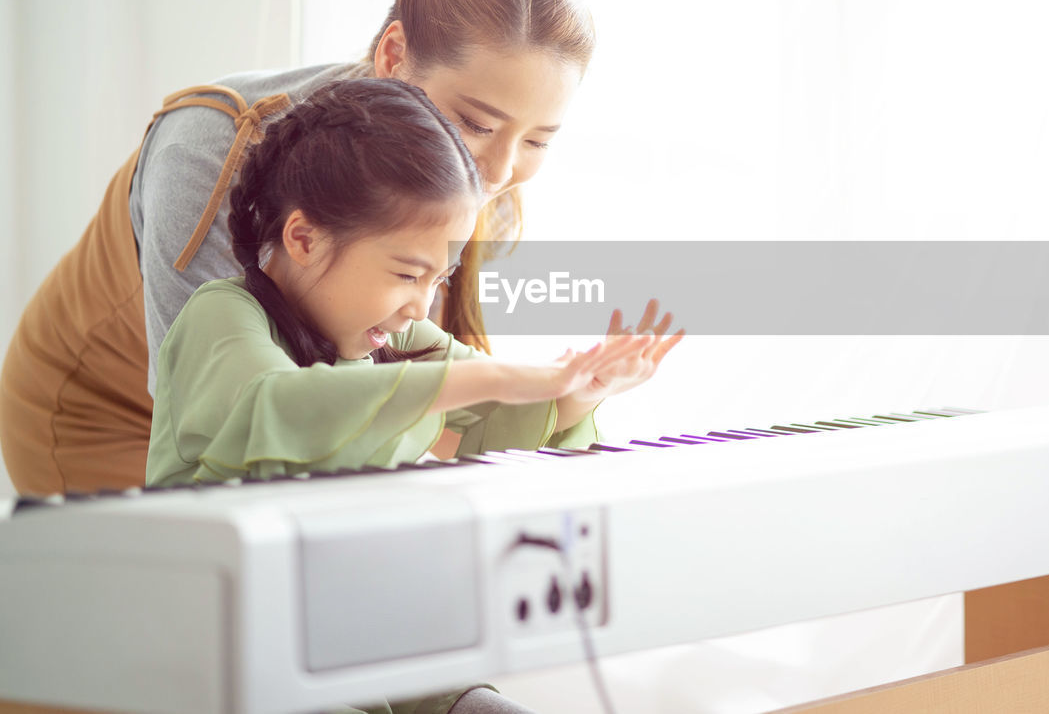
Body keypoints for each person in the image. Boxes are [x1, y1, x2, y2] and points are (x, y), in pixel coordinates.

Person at [1, 0, 605, 495]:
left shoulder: (476, 179)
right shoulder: (211, 151)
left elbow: (398, 376)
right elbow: (230, 417)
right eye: (476, 123)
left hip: (304, 426)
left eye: (537, 141)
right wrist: (479, 392)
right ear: (394, 55)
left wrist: (566, 398)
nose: (498, 173)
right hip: (121, 422)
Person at [147, 78, 680, 714]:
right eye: (406, 274)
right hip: (236, 661)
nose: (420, 305)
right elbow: (278, 413)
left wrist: (575, 396)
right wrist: (492, 376)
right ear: (304, 238)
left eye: (439, 278)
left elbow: (485, 408)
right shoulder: (222, 316)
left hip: (367, 642)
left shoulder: (390, 334)